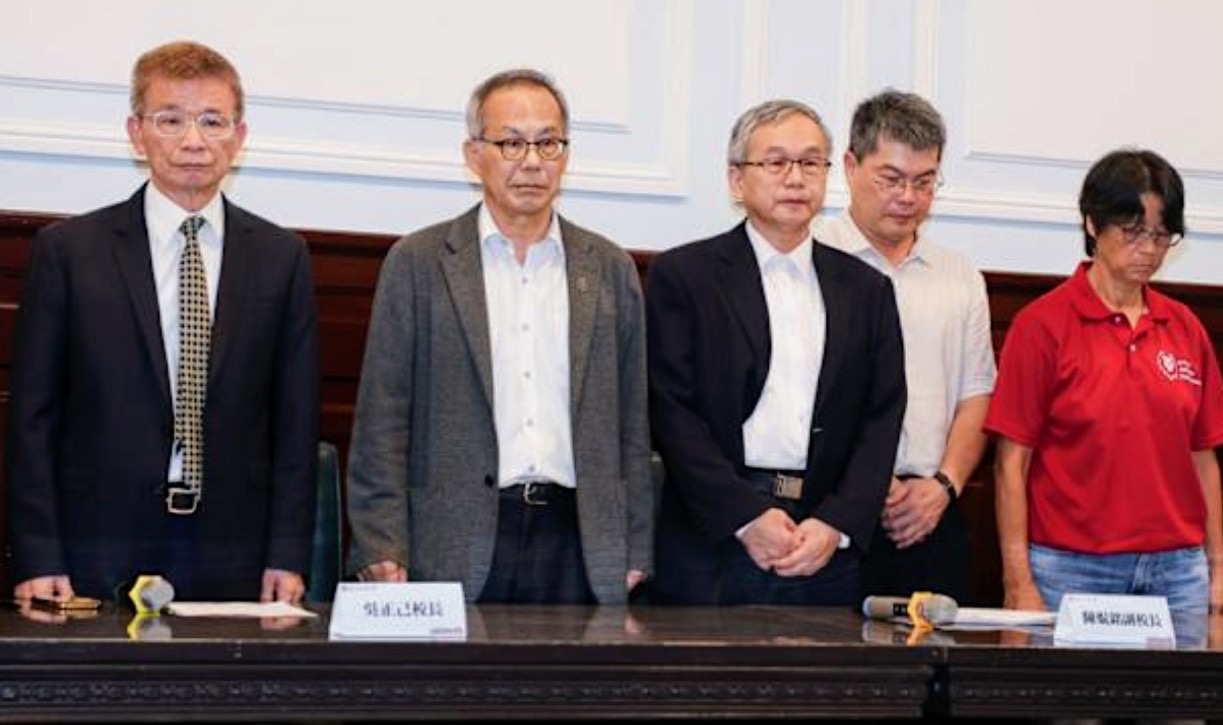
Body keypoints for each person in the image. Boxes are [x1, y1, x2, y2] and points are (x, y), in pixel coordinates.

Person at [5, 41, 320, 603]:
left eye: (212, 121)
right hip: (94, 542)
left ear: (239, 137)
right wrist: (38, 554)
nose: (193, 140)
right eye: (170, 120)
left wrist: (288, 554)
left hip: (235, 547)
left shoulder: (281, 257)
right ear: (136, 132)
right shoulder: (69, 252)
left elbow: (295, 424)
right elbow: (32, 417)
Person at [344, 68, 651, 604]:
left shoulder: (609, 267)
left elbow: (633, 424)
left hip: (580, 545)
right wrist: (381, 542)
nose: (532, 161)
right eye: (511, 143)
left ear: (565, 155)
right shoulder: (418, 263)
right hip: (451, 539)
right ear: (473, 154)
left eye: (548, 143)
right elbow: (382, 419)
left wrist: (635, 547)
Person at [648, 99, 906, 606]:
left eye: (810, 163)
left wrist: (836, 522)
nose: (795, 178)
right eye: (776, 162)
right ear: (736, 180)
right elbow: (670, 410)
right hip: (714, 537)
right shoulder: (685, 276)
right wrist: (744, 516)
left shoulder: (867, 289)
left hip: (822, 543)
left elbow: (882, 417)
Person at [987, 149, 1223, 625]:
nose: (1149, 249)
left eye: (1162, 234)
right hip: (1070, 569)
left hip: (1178, 571)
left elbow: (1203, 457)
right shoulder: (1042, 326)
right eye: (1133, 231)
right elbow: (1011, 464)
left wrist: (1218, 568)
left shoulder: (1185, 328)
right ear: (1093, 224)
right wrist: (1018, 581)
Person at [814, 90, 995, 604]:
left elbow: (977, 394)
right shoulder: (812, 256)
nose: (908, 197)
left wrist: (945, 484)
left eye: (924, 181)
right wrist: (869, 483)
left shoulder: (959, 275)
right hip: (830, 511)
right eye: (891, 179)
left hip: (931, 511)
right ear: (851, 166)